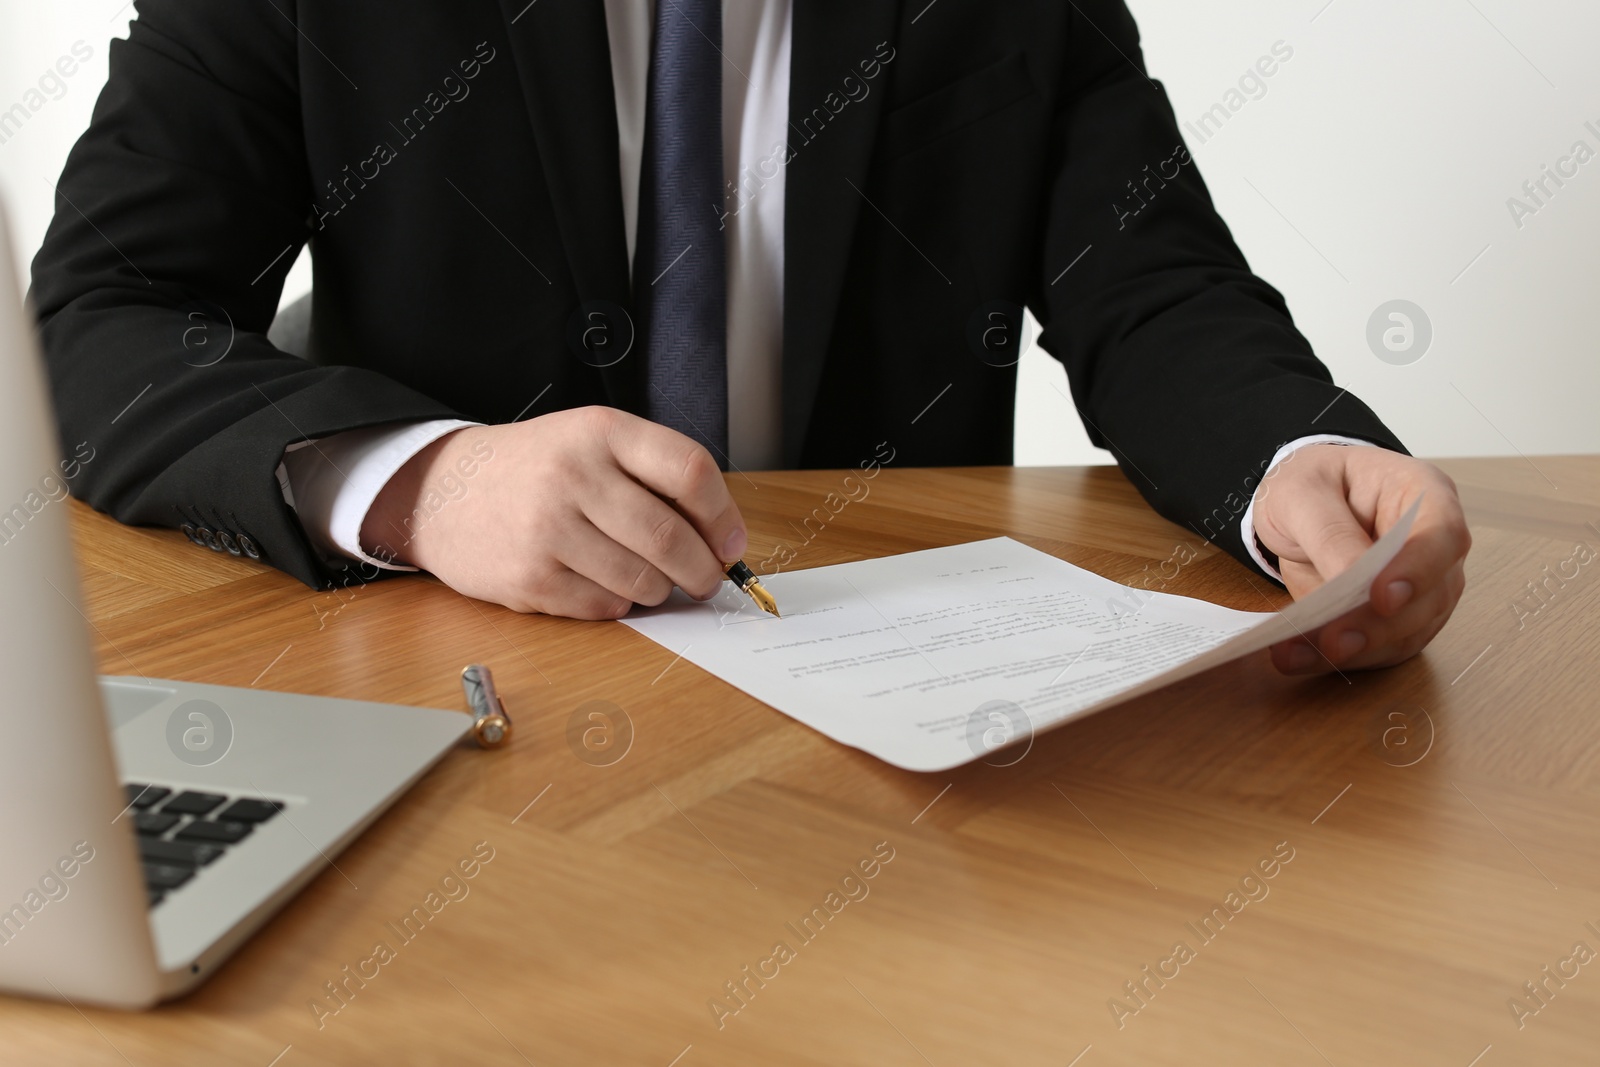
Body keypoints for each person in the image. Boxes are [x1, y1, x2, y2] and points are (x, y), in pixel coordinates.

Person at [30, 0, 1468, 676]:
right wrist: (425, 482)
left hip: (897, 711)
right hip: (448, 676)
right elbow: (105, 313)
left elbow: (1154, 291)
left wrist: (1293, 458)